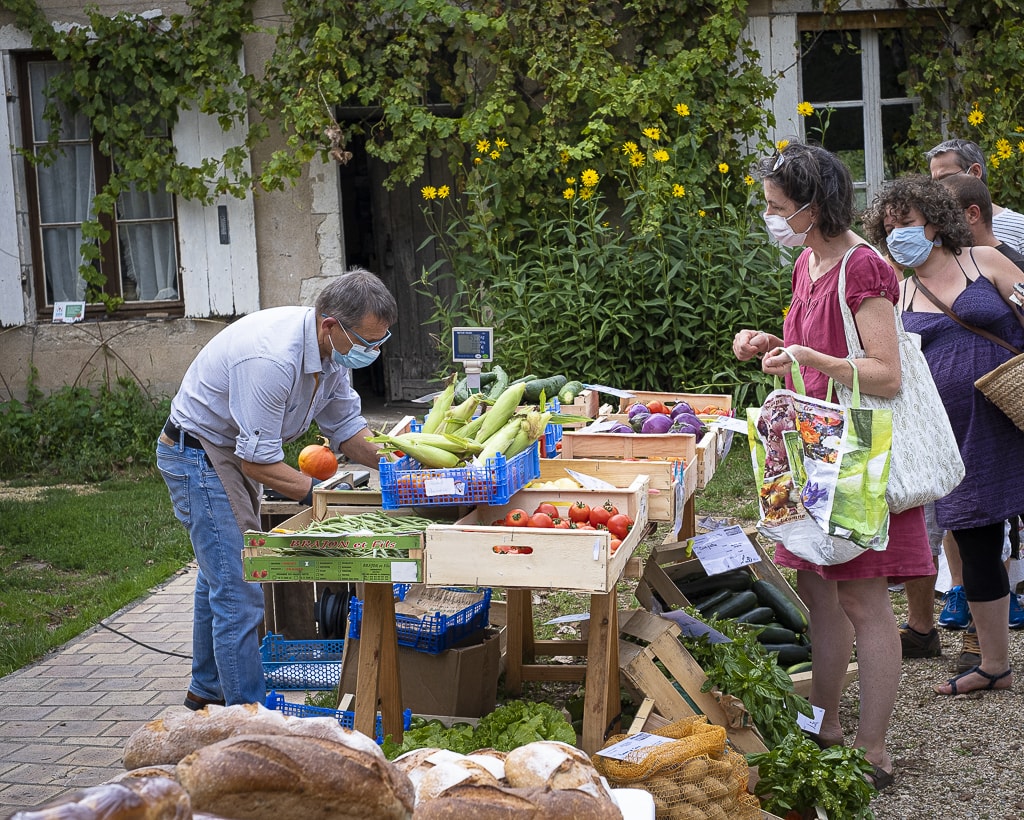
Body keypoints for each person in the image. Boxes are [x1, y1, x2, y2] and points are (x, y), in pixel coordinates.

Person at [733, 141, 935, 790]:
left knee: (864, 600)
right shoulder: (808, 263)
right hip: (812, 446)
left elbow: (884, 372)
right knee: (819, 592)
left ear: (813, 206)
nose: (769, 216)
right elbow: (811, 345)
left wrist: (813, 363)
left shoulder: (864, 268)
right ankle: (825, 725)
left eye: (776, 206)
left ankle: (873, 750)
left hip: (858, 457)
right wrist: (775, 347)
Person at [157, 267, 398, 710]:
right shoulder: (271, 359)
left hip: (233, 447)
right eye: (367, 344)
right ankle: (247, 718)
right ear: (331, 325)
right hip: (199, 451)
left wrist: (399, 463)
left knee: (221, 573)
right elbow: (258, 461)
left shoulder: (330, 354)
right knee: (239, 587)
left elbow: (345, 429)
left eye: (380, 342)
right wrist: (321, 495)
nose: (374, 353)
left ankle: (204, 692)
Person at [861, 174, 1024, 696]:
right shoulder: (899, 291)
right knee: (976, 541)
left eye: (905, 223)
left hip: (1014, 413)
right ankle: (994, 663)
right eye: (889, 227)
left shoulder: (986, 262)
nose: (897, 234)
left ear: (936, 220)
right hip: (959, 434)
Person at [926, 138, 1024, 254]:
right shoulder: (934, 228)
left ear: (975, 172)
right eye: (935, 183)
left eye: (946, 178)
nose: (938, 189)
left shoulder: (1019, 228)